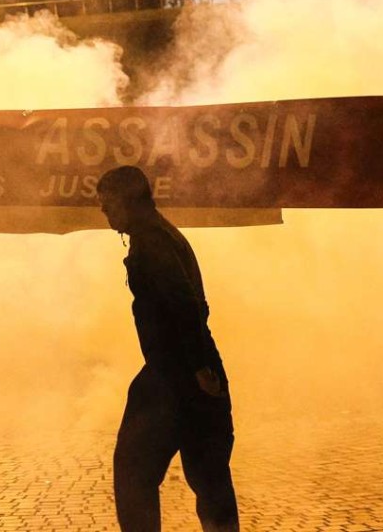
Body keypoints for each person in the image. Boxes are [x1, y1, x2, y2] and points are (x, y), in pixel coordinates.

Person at [97, 166, 238, 532]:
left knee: (133, 473)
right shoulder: (158, 235)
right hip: (188, 373)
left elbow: (185, 304)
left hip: (174, 377)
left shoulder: (153, 242)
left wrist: (199, 368)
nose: (104, 212)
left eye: (108, 203)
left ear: (129, 201)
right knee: (209, 476)